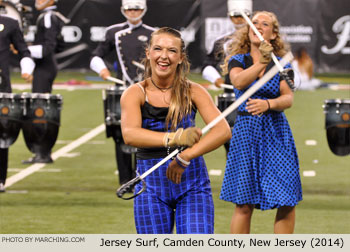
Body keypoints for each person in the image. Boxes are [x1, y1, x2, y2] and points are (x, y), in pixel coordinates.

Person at [120, 27, 231, 234]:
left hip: (192, 182)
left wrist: (186, 156)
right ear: (148, 53)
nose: (164, 56)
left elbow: (222, 131)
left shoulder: (194, 91)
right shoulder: (134, 93)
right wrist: (175, 138)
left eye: (171, 51)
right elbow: (130, 134)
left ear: (180, 57)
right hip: (150, 186)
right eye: (158, 49)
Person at [220, 11, 302, 234]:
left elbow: (288, 98)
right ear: (248, 29)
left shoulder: (283, 63)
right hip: (246, 132)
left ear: (273, 34)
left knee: (287, 198)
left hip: (276, 132)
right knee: (244, 202)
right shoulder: (239, 59)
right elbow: (238, 81)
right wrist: (262, 62)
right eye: (254, 23)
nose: (257, 26)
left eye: (264, 24)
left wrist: (268, 105)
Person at [90, 0, 155, 188]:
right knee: (121, 134)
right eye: (129, 9)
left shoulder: (153, 33)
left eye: (137, 9)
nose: (133, 12)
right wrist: (102, 70)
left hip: (147, 91)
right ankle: (125, 180)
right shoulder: (114, 32)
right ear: (123, 10)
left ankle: (145, 178)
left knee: (147, 132)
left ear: (144, 10)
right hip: (124, 89)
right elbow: (96, 55)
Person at [202, 0, 252, 155]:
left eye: (243, 16)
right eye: (235, 15)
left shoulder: (258, 40)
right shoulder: (222, 42)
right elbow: (207, 65)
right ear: (230, 17)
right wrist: (216, 79)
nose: (239, 19)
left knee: (253, 143)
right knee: (230, 143)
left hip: (254, 97)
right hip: (230, 96)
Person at [22, 0, 68, 164]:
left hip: (45, 67)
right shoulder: (48, 16)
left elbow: (48, 46)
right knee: (39, 109)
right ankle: (41, 151)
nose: (37, 2)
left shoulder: (48, 16)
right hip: (44, 66)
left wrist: (23, 49)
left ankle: (43, 152)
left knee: (40, 110)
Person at [0, 0, 35, 192]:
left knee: (1, 134)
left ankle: (0, 179)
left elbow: (24, 51)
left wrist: (26, 68)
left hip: (1, 86)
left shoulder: (9, 23)